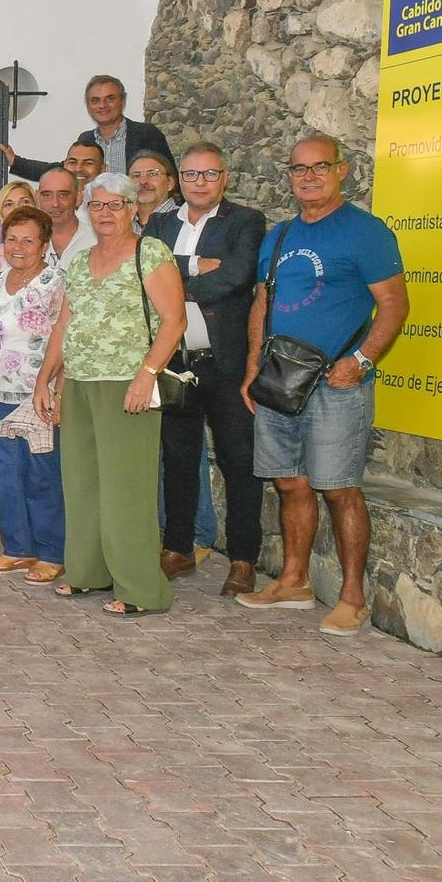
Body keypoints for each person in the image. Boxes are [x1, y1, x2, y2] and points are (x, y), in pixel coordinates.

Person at [237, 134, 407, 637]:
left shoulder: (366, 233)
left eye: (319, 167)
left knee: (339, 488)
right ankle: (293, 581)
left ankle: (353, 597)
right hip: (280, 379)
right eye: (299, 169)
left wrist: (362, 359)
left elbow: (394, 305)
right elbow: (262, 304)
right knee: (290, 482)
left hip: (337, 382)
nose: (309, 177)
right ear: (288, 176)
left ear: (342, 170)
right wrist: (252, 369)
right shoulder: (281, 235)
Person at [34, 172, 187, 616]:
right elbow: (64, 324)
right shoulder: (80, 262)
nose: (105, 213)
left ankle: (141, 588)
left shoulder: (150, 253)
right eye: (97, 205)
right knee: (81, 482)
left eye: (114, 205)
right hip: (80, 383)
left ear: (131, 208)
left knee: (127, 488)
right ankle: (88, 572)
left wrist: (146, 375)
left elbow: (174, 321)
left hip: (128, 384)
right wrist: (47, 379)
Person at [148, 144, 267, 594]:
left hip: (225, 363)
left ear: (225, 178)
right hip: (174, 361)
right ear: (179, 179)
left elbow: (237, 275)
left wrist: (172, 282)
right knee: (177, 458)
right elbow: (144, 269)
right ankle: (178, 548)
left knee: (239, 461)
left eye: (209, 174)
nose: (200, 182)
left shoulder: (245, 221)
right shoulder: (161, 222)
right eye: (191, 174)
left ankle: (242, 559)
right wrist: (194, 265)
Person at [0, 207, 67, 581]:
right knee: (3, 474)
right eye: (11, 239)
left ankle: (52, 553)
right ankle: (18, 549)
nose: (18, 247)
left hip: (39, 395)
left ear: (43, 244)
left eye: (28, 240)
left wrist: (56, 391)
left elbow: (65, 340)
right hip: (0, 396)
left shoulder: (56, 282)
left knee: (41, 475)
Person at [3, 75, 174, 183]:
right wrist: (16, 161)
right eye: (95, 100)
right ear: (88, 105)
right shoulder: (86, 139)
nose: (102, 105)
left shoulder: (147, 135)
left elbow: (170, 176)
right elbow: (63, 171)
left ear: (122, 101)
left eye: (110, 99)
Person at [36, 168, 95, 267]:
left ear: (78, 197)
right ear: (37, 198)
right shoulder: (25, 242)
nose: (55, 203)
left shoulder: (97, 241)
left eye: (63, 195)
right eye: (47, 195)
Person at [0, 181, 39, 277]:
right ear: (1, 215)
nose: (17, 208)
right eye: (9, 204)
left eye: (25, 201)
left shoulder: (49, 247)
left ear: (36, 207)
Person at [127, 150, 179, 228]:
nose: (143, 182)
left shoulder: (186, 220)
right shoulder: (121, 224)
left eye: (153, 174)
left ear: (170, 183)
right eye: (136, 176)